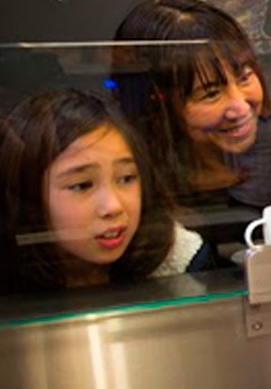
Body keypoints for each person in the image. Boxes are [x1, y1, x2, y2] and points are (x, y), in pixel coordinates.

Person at [111, 0, 271, 237]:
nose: (240, 107)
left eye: (244, 78)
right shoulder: (133, 174)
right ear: (158, 102)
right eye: (211, 93)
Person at [0, 90, 210, 293]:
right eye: (82, 185)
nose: (113, 206)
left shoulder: (178, 262)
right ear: (27, 195)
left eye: (126, 178)